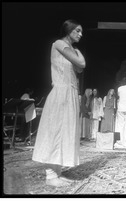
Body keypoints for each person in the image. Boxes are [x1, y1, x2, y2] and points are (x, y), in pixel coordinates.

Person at [32, 19, 85, 187]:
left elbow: (80, 68)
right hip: (61, 93)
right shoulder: (58, 44)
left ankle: (58, 172)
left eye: (81, 31)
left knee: (65, 132)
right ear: (68, 30)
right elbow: (82, 63)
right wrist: (76, 52)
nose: (80, 34)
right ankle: (50, 175)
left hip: (70, 93)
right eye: (77, 30)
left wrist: (76, 51)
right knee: (55, 131)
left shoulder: (71, 49)